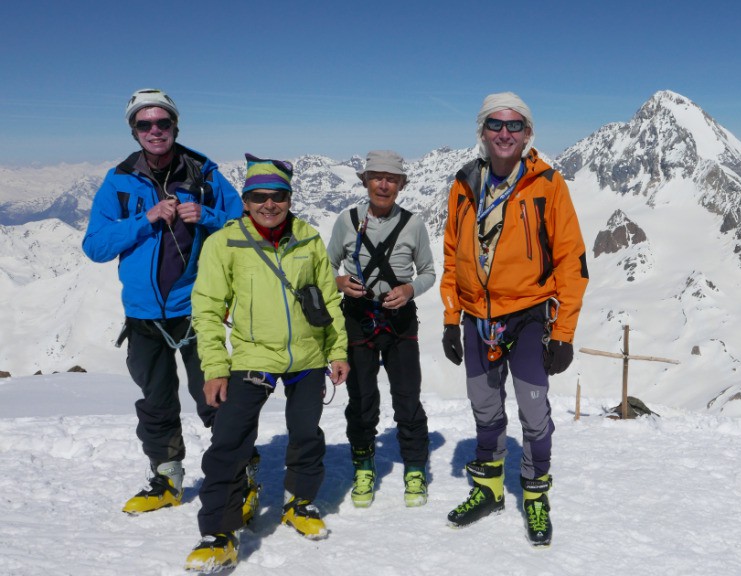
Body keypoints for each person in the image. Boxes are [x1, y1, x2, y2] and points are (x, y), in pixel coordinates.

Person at [184, 155, 350, 572]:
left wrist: (338, 351)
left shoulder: (308, 239)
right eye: (258, 196)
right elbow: (206, 310)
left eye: (277, 196)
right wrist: (215, 367)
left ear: (290, 198)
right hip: (253, 355)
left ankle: (300, 503)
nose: (268, 204)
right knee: (230, 439)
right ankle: (219, 532)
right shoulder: (225, 243)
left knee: (306, 433)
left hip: (309, 354)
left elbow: (328, 300)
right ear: (245, 200)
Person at [82, 88, 243, 515]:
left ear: (175, 126)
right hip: (142, 315)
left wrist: (205, 217)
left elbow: (246, 226)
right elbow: (95, 246)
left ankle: (238, 469)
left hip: (196, 309)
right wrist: (145, 219)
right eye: (145, 124)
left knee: (213, 393)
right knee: (156, 401)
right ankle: (166, 475)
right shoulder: (118, 181)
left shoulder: (205, 173)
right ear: (134, 131)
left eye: (163, 122)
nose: (155, 131)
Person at [439, 92, 589, 546]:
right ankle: (489, 490)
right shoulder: (464, 184)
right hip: (476, 317)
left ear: (528, 134)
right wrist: (450, 318)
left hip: (528, 316)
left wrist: (562, 333)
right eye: (495, 125)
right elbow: (451, 255)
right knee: (485, 407)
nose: (505, 133)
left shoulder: (547, 184)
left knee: (532, 407)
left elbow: (571, 260)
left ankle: (535, 493)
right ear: (482, 132)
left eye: (515, 125)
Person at [326, 150, 436, 509]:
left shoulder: (413, 224)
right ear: (365, 181)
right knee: (361, 399)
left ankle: (415, 466)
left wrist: (408, 289)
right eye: (376, 177)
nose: (383, 184)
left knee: (407, 398)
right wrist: (340, 281)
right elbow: (325, 267)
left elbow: (428, 273)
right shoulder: (347, 221)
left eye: (391, 179)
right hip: (357, 317)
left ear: (401, 184)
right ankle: (363, 465)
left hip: (400, 320)